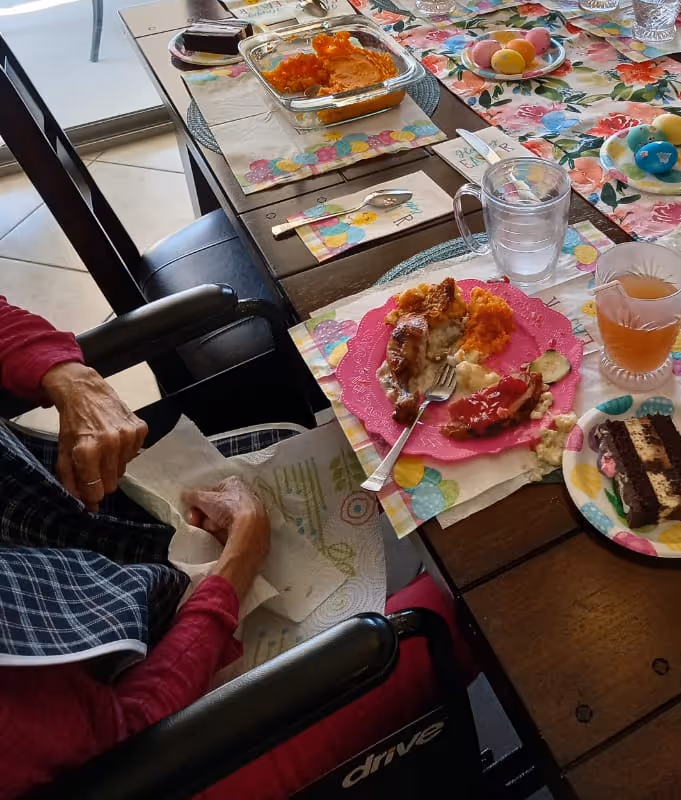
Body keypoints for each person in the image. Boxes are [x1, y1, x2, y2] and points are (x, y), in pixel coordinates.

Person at [0, 296, 473, 798]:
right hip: (171, 749)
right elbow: (130, 736)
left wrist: (75, 378)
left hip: (90, 546)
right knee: (460, 609)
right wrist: (239, 565)